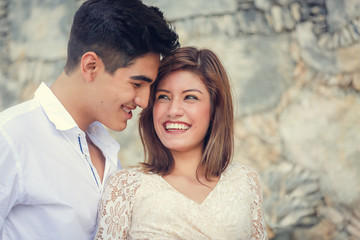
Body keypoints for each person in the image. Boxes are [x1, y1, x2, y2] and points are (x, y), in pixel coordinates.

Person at [0, 0, 179, 239]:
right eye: (137, 84)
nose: (145, 101)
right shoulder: (11, 138)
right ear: (91, 66)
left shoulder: (104, 149)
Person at [94, 47, 268, 239]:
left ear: (214, 110)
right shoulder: (125, 187)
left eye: (190, 97)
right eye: (163, 97)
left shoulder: (245, 182)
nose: (173, 110)